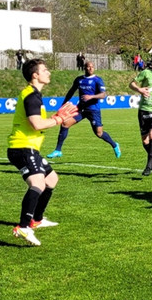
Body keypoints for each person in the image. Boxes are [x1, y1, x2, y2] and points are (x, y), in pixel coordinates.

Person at [7, 59, 78, 246]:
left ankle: (36, 220)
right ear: (35, 75)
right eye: (45, 70)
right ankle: (23, 227)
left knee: (51, 179)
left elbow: (39, 121)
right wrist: (58, 119)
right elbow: (37, 124)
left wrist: (56, 117)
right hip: (22, 148)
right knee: (37, 183)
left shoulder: (33, 94)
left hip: (30, 148)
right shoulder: (32, 96)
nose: (49, 73)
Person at [46, 60, 121, 160]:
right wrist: (63, 104)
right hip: (81, 109)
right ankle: (58, 150)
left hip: (93, 110)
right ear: (84, 68)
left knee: (99, 133)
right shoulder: (79, 80)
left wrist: (91, 97)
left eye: (92, 67)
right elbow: (71, 91)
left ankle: (114, 145)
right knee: (65, 124)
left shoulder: (97, 80)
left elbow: (103, 95)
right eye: (88, 67)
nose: (91, 68)